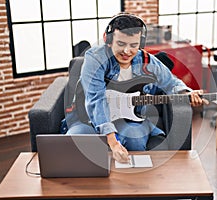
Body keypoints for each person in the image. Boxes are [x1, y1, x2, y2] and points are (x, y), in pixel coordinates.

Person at [65, 13, 205, 163]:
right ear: (108, 39)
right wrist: (112, 141)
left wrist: (186, 93)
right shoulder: (95, 58)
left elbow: (171, 82)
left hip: (131, 119)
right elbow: (95, 99)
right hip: (88, 119)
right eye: (121, 44)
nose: (127, 51)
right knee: (72, 143)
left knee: (135, 140)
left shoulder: (146, 61)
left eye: (133, 45)